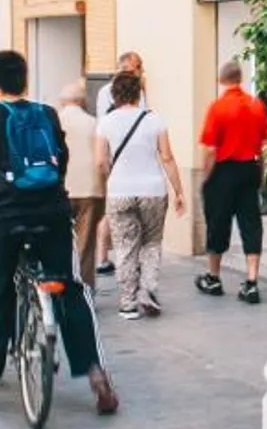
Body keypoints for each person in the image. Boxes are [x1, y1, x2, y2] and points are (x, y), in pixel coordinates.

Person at [0, 51, 117, 413]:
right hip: (53, 215)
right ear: (24, 80)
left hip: (7, 217)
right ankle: (94, 371)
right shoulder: (47, 114)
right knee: (71, 288)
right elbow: (62, 158)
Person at [96, 72, 185, 320]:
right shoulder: (155, 120)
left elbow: (101, 161)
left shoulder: (106, 122)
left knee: (125, 247)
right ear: (139, 93)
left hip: (120, 191)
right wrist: (178, 191)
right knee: (151, 243)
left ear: (115, 94)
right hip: (153, 190)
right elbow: (167, 158)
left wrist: (112, 177)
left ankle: (128, 303)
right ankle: (148, 291)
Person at [196, 59, 267, 305]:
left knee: (218, 221)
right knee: (251, 223)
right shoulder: (256, 105)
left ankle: (213, 277)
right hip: (249, 169)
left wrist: (205, 178)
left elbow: (211, 149)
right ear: (241, 78)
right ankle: (251, 282)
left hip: (223, 171)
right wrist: (261, 172)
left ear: (221, 80)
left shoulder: (218, 108)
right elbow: (263, 146)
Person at [95, 50, 145, 279]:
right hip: (118, 160)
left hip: (134, 160)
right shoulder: (107, 92)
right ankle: (103, 257)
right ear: (126, 68)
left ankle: (126, 257)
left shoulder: (140, 91)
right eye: (137, 67)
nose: (141, 72)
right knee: (115, 209)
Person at [58, 83, 104, 291]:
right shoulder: (94, 122)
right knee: (85, 244)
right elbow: (102, 158)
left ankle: (63, 284)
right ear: (83, 101)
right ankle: (84, 289)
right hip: (90, 187)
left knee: (59, 240)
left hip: (60, 188)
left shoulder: (53, 122)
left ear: (61, 101)